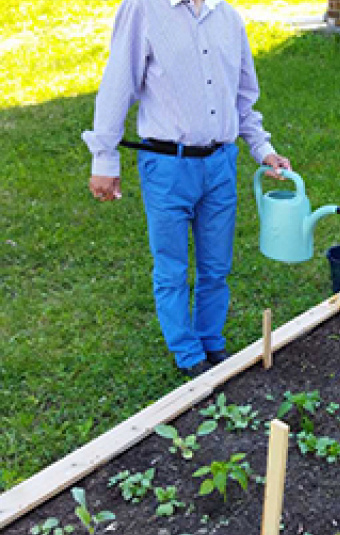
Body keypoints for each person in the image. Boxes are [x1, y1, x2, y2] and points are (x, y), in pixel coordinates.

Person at [83, 0, 291, 377]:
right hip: (167, 166)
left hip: (221, 164)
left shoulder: (228, 18)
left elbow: (244, 100)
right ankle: (187, 352)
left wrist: (264, 150)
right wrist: (104, 158)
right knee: (172, 266)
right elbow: (118, 84)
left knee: (216, 265)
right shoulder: (143, 9)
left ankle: (211, 340)